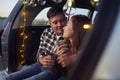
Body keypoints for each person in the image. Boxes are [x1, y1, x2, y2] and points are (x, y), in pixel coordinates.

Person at [6, 7, 67, 80]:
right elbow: (40, 51)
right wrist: (40, 59)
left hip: (54, 70)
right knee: (9, 78)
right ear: (50, 24)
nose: (59, 25)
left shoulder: (71, 35)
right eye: (55, 22)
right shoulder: (47, 32)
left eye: (62, 21)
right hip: (39, 65)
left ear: (66, 20)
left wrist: (55, 58)